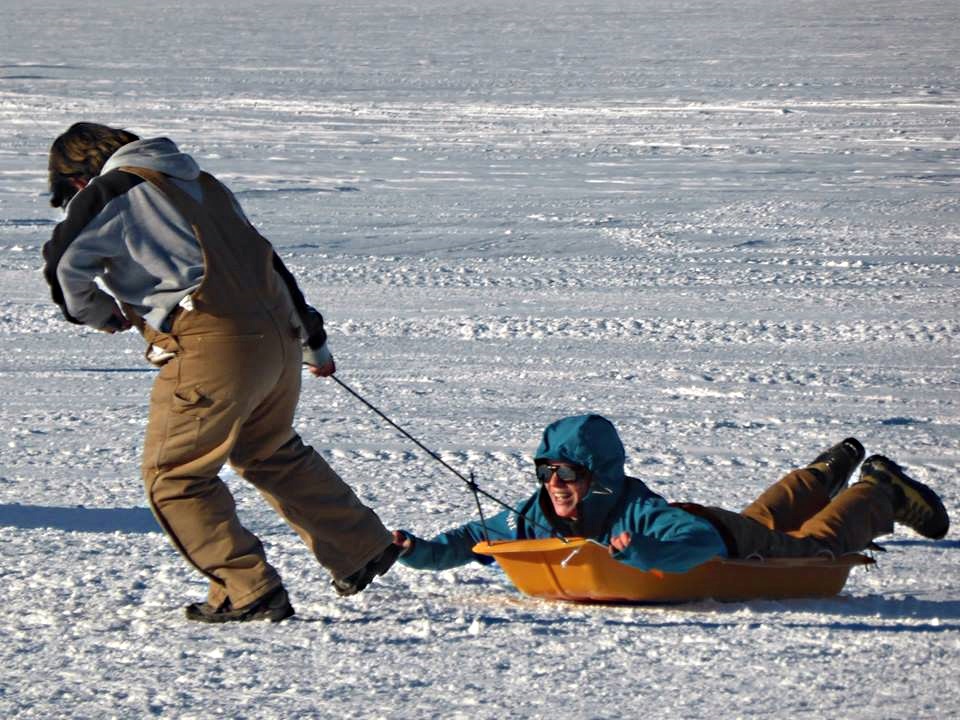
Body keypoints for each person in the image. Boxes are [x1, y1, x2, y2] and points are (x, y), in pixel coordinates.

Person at [42, 122, 399, 623]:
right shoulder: (203, 183)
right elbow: (268, 262)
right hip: (277, 335)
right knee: (268, 449)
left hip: (213, 342)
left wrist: (99, 313)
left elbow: (62, 262)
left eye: (70, 190)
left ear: (79, 176)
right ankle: (360, 546)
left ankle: (247, 589)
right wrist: (313, 341)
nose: (75, 197)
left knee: (175, 476)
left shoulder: (111, 189)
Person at [393, 414, 949, 574]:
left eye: (567, 474)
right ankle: (826, 472)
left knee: (813, 547)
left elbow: (700, 543)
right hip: (712, 521)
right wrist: (415, 551)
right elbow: (472, 539)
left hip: (724, 540)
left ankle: (877, 489)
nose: (555, 486)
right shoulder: (533, 518)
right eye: (546, 473)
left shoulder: (635, 512)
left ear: (598, 476)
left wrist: (638, 553)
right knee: (762, 516)